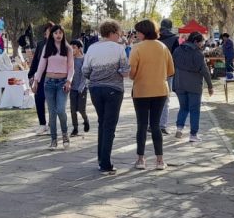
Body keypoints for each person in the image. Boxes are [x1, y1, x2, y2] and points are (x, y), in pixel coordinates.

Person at [82, 19, 130, 174]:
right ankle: (105, 163)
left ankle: (101, 158)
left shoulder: (91, 48)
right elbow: (124, 71)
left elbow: (85, 71)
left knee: (102, 122)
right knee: (109, 125)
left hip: (95, 89)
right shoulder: (119, 48)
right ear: (112, 33)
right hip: (114, 89)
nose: (119, 36)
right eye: (118, 33)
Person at [129, 19, 175, 170]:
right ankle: (160, 160)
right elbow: (170, 71)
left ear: (143, 32)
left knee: (142, 125)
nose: (136, 35)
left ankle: (141, 159)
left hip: (141, 90)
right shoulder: (163, 47)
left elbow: (132, 72)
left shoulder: (137, 48)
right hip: (160, 90)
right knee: (155, 125)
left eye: (137, 32)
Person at [31, 25, 75, 150]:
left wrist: (68, 81)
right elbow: (41, 65)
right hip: (49, 82)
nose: (58, 35)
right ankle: (54, 140)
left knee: (60, 110)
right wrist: (36, 81)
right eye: (56, 33)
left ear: (63, 34)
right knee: (52, 112)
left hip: (62, 83)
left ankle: (65, 134)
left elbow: (71, 68)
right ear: (52, 35)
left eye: (60, 32)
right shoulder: (47, 47)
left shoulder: (68, 49)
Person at [173, 31, 214, 142]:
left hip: (179, 83)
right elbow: (205, 71)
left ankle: (179, 128)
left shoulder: (177, 50)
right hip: (194, 86)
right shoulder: (198, 54)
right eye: (201, 43)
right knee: (194, 110)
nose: (202, 45)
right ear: (196, 42)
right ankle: (193, 134)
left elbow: (172, 66)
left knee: (183, 107)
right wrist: (210, 86)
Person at [26, 22, 55, 136]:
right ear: (45, 33)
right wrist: (31, 75)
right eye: (50, 31)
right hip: (40, 77)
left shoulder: (59, 45)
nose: (52, 33)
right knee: (39, 99)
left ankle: (52, 125)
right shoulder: (41, 44)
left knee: (52, 103)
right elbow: (35, 61)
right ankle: (42, 125)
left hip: (53, 77)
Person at [157, 19, 180, 135]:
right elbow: (176, 56)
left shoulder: (154, 36)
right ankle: (162, 125)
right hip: (168, 71)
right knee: (165, 99)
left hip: (153, 71)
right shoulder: (174, 39)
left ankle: (152, 124)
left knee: (151, 98)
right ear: (170, 27)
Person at [69, 40, 89, 136]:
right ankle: (75, 128)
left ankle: (85, 120)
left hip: (82, 88)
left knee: (81, 109)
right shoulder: (70, 59)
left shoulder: (84, 59)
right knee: (73, 110)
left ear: (79, 48)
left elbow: (85, 75)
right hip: (72, 88)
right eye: (71, 47)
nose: (72, 49)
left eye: (74, 47)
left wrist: (81, 87)